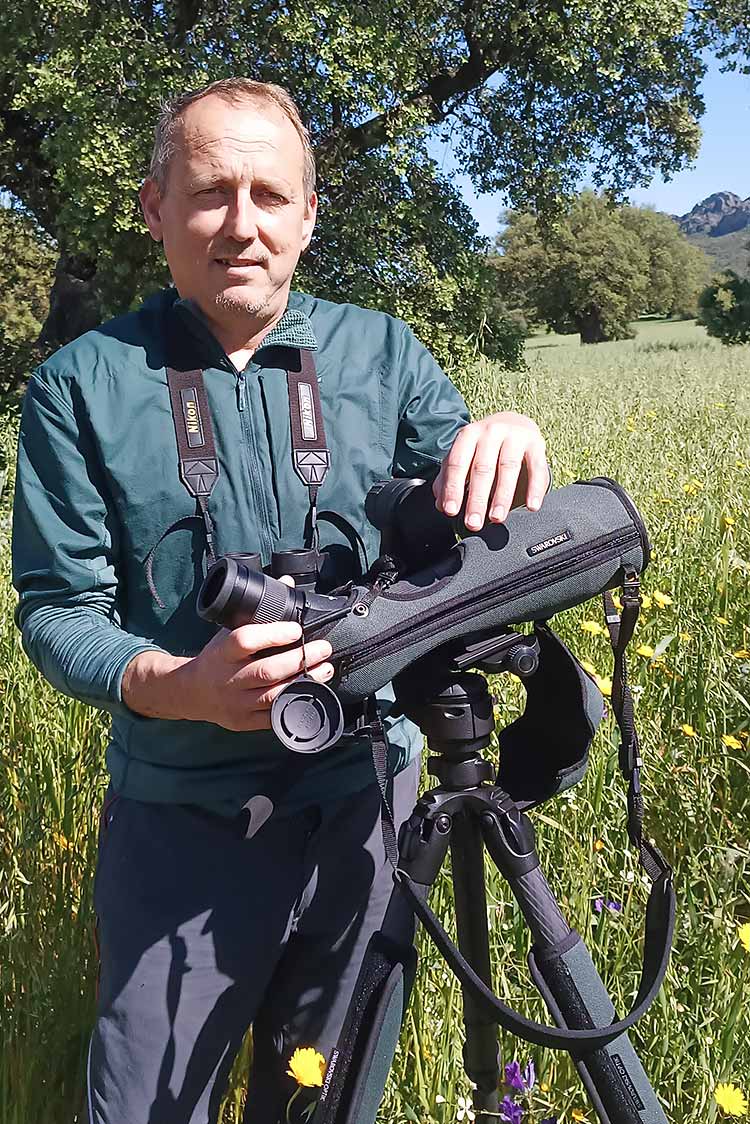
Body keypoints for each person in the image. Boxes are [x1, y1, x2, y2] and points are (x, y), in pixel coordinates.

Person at [11, 78, 548, 1124]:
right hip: (180, 819)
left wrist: (511, 433)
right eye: (210, 192)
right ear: (154, 207)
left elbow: (476, 518)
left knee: (326, 1100)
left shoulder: (383, 355)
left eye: (270, 194)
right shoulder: (79, 385)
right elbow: (54, 607)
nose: (241, 224)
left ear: (310, 213)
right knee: (142, 1104)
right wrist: (177, 684)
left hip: (368, 804)